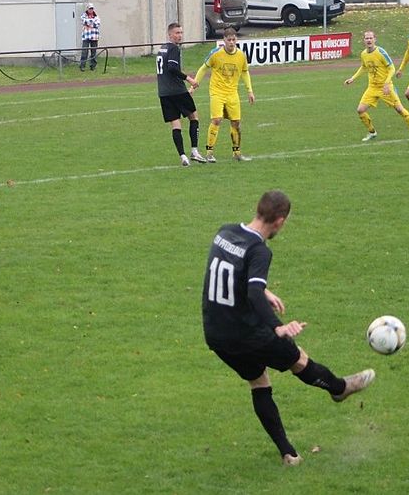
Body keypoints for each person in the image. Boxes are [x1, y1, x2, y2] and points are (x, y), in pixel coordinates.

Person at [201, 190, 376, 466]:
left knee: (259, 381)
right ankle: (339, 388)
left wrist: (264, 290)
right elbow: (253, 293)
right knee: (299, 361)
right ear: (280, 221)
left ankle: (289, 454)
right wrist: (278, 327)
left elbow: (234, 273)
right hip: (247, 333)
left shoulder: (225, 232)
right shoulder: (260, 250)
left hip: (216, 333)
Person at [192, 27, 254, 162]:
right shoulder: (215, 54)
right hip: (217, 92)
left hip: (232, 93)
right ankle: (209, 153)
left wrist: (249, 90)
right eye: (229, 40)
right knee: (216, 120)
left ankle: (237, 153)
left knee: (236, 122)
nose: (231, 42)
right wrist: (194, 85)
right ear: (224, 40)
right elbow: (203, 68)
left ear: (236, 40)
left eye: (233, 39)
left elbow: (245, 72)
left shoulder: (241, 55)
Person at [345, 30, 409, 141]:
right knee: (360, 110)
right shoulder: (363, 54)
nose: (369, 40)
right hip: (372, 88)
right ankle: (372, 132)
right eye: (366, 38)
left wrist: (386, 83)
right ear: (363, 40)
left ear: (375, 39)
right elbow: (364, 67)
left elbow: (392, 68)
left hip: (386, 87)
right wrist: (353, 78)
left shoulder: (381, 52)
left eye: (371, 38)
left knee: (400, 109)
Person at [156, 23, 205, 167]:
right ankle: (194, 151)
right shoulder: (173, 48)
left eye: (181, 33)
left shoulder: (162, 48)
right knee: (194, 117)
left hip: (163, 92)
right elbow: (172, 68)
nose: (180, 35)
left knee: (175, 124)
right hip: (177, 90)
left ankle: (183, 156)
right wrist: (189, 79)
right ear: (170, 34)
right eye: (177, 33)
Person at [79, 4, 100, 72]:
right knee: (84, 51)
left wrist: (88, 24)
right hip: (86, 36)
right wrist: (91, 23)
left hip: (94, 36)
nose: (91, 10)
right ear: (87, 9)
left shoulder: (96, 16)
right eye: (90, 8)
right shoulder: (83, 16)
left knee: (93, 52)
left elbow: (97, 24)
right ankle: (82, 66)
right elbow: (84, 21)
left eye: (92, 9)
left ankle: (93, 66)